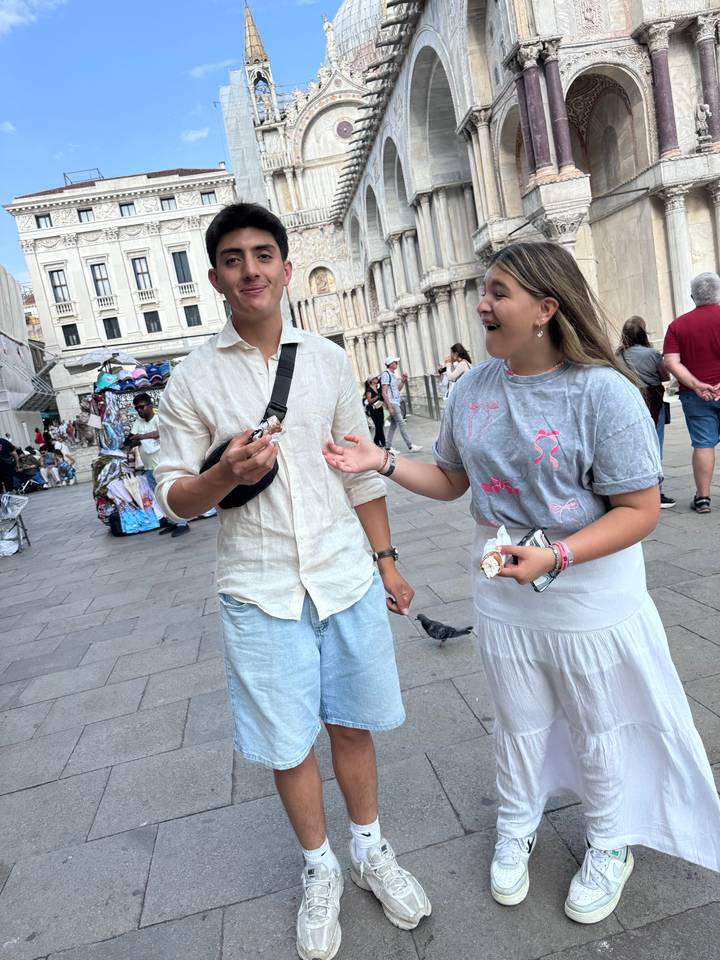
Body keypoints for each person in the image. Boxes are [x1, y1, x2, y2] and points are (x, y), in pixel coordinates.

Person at [324, 240, 720, 926]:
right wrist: (381, 459)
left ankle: (610, 838)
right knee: (517, 719)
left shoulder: (604, 392)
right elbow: (451, 480)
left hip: (588, 594)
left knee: (599, 723)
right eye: (484, 289)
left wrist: (559, 556)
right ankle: (517, 821)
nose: (483, 303)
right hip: (504, 590)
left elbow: (641, 510)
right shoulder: (473, 388)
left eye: (498, 291)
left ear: (545, 308)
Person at [153, 202, 431, 960]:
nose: (251, 269)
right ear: (215, 277)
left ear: (284, 265)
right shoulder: (192, 379)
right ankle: (320, 869)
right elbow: (171, 496)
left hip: (342, 570)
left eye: (264, 254)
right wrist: (220, 477)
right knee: (286, 743)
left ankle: (371, 851)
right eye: (234, 258)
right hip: (257, 581)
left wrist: (387, 561)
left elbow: (362, 472)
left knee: (351, 722)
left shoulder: (329, 360)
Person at [663, 272, 720, 513]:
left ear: (692, 296)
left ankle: (703, 498)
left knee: (703, 444)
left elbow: (670, 362)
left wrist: (697, 385)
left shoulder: (677, 325)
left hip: (695, 396)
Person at [618, 316, 675, 508]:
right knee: (655, 443)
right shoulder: (651, 353)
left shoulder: (617, 355)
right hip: (652, 399)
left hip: (626, 399)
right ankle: (656, 492)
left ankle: (631, 489)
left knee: (630, 445)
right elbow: (665, 376)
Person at [128, 393, 189, 538]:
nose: (139, 411)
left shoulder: (158, 418)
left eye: (141, 407)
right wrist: (132, 439)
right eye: (137, 408)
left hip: (162, 465)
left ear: (150, 405)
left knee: (170, 495)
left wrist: (142, 436)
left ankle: (182, 523)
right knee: (160, 497)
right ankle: (172, 522)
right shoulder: (138, 422)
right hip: (149, 467)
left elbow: (161, 432)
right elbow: (131, 437)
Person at [379, 357, 422, 454]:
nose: (397, 364)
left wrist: (403, 381)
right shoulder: (386, 375)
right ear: (390, 364)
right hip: (392, 403)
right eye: (395, 362)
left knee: (394, 425)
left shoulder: (392, 375)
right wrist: (389, 406)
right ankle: (410, 445)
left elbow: (397, 390)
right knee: (402, 423)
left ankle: (388, 447)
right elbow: (384, 392)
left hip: (395, 402)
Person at [363, 375, 386, 448]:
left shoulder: (378, 388)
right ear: (371, 380)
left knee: (381, 425)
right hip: (373, 409)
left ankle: (376, 442)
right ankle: (383, 443)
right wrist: (377, 396)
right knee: (378, 425)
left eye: (377, 378)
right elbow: (369, 401)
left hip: (379, 407)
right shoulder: (369, 390)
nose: (377, 379)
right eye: (375, 378)